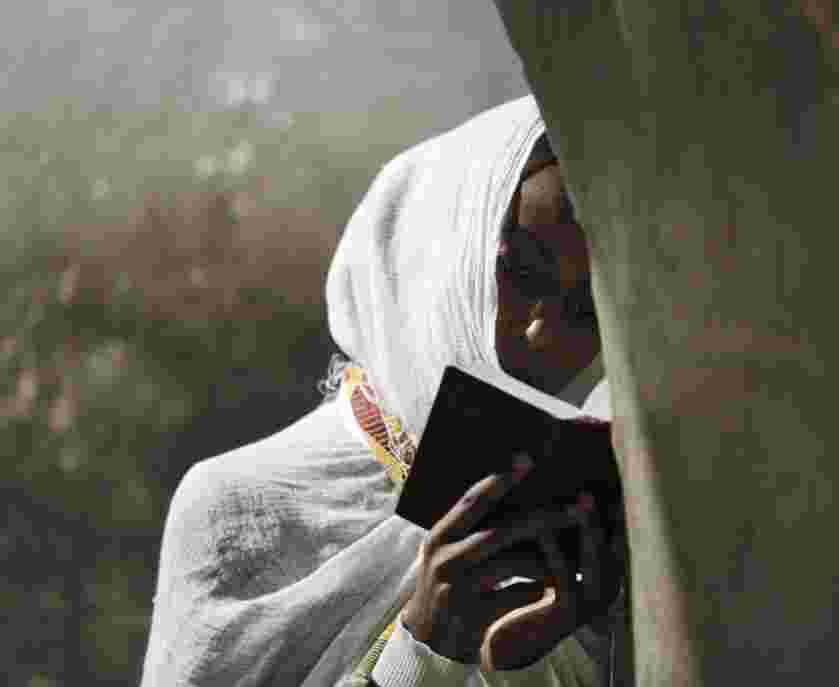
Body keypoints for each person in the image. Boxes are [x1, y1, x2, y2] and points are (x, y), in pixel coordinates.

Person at [140, 95, 629, 687]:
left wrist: (578, 651)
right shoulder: (240, 510)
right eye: (522, 273)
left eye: (583, 311)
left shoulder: (593, 515)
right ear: (437, 260)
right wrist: (423, 649)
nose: (540, 330)